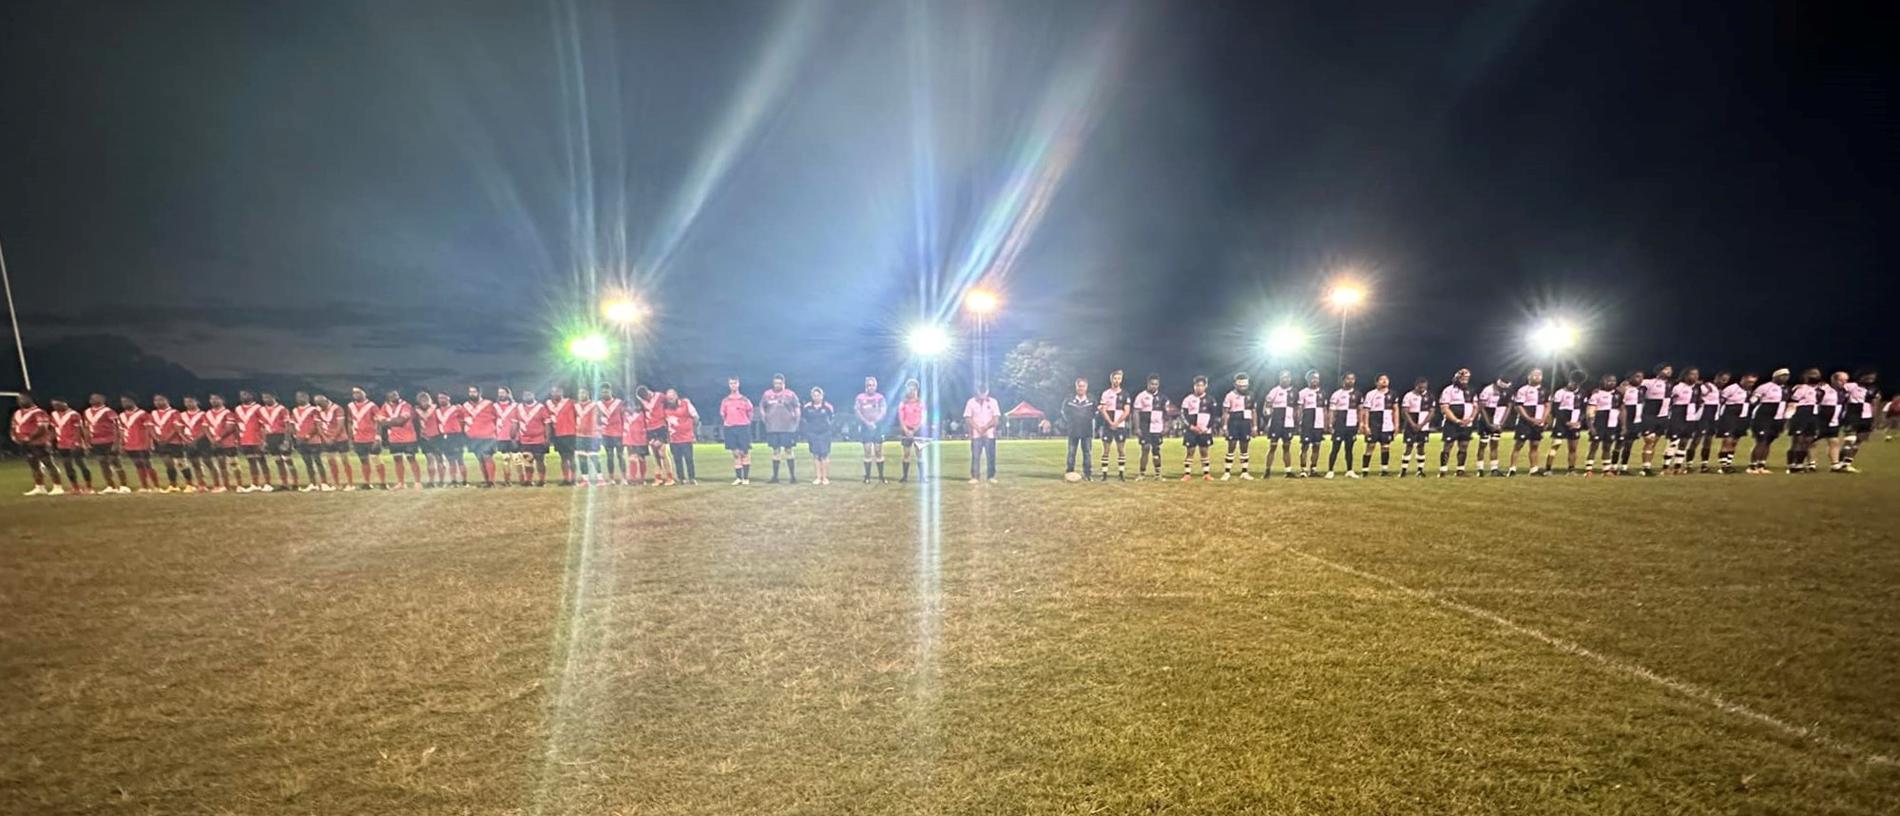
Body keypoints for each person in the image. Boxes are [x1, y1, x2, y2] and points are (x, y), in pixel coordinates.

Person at [11, 391, 64, 495]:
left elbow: (42, 428)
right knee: (33, 465)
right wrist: (14, 436)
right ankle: (40, 487)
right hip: (25, 444)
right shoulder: (17, 413)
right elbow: (13, 426)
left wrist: (29, 437)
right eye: (19, 399)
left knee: (49, 463)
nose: (20, 401)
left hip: (39, 442)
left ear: (30, 399)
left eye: (23, 399)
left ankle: (58, 487)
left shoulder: (39, 412)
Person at [759, 375, 802, 484]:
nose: (778, 385)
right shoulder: (767, 394)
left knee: (789, 450)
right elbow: (762, 407)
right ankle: (775, 477)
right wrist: (764, 417)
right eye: (776, 383)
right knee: (775, 451)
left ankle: (792, 477)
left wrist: (796, 420)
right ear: (773, 383)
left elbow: (797, 407)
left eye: (780, 383)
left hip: (788, 428)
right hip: (773, 428)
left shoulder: (790, 394)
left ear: (784, 383)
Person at [1745, 368, 1789, 474]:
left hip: (1777, 419)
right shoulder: (1765, 387)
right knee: (1761, 441)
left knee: (1768, 441)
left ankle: (1761, 465)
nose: (1785, 378)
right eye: (1783, 375)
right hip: (1763, 418)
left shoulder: (1785, 389)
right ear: (1775, 377)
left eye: (1787, 375)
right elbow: (1753, 400)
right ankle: (1752, 466)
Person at [84, 393, 129, 493]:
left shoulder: (108, 411)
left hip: (109, 440)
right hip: (96, 441)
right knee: (103, 463)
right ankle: (110, 486)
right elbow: (86, 428)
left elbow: (117, 427)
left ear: (102, 399)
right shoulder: (87, 412)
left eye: (94, 397)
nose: (91, 399)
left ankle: (124, 485)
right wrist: (87, 443)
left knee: (115, 462)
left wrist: (117, 443)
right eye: (91, 397)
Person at [1635, 364, 1675, 476]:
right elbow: (1633, 388)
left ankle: (1648, 466)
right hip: (1649, 416)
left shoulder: (1671, 384)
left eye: (1670, 370)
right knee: (1649, 441)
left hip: (1663, 417)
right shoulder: (1648, 382)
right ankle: (1645, 468)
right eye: (1666, 369)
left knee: (1654, 443)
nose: (1669, 371)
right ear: (1659, 370)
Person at [49, 398, 94, 494]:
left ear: (64, 403)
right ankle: (75, 487)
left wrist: (80, 443)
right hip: (62, 444)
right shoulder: (54, 414)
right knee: (67, 466)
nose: (55, 407)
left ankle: (89, 487)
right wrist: (49, 440)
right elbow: (54, 429)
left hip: (75, 444)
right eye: (54, 405)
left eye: (57, 404)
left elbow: (79, 430)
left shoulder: (74, 414)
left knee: (81, 464)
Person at [1438, 368, 1477, 477]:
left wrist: (1471, 418)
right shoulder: (1448, 390)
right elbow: (1445, 408)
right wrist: (1456, 420)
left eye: (1466, 378)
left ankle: (1460, 470)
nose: (1464, 380)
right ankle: (1443, 470)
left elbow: (1475, 406)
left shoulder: (1471, 390)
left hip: (1467, 424)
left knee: (1464, 445)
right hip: (1452, 424)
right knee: (1448, 445)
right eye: (1462, 378)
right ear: (1457, 378)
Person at [1507, 368, 1546, 476]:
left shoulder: (1544, 390)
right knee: (1518, 445)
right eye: (1535, 374)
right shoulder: (1523, 390)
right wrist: (1529, 418)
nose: (1537, 376)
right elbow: (1518, 406)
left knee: (1535, 445)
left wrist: (1543, 418)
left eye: (1540, 374)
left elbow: (1547, 405)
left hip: (1538, 423)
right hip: (1525, 422)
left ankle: (1533, 469)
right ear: (1529, 376)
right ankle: (1512, 469)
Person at [1583, 374, 1623, 477]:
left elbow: (1622, 409)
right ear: (1603, 381)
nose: (1611, 382)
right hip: (1599, 424)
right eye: (1609, 380)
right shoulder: (1597, 394)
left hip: (1612, 425)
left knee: (1607, 447)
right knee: (1594, 446)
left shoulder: (1618, 394)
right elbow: (1589, 412)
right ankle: (1588, 470)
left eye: (1614, 380)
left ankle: (1606, 470)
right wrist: (1591, 427)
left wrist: (1622, 425)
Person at [1713, 373, 1753, 474]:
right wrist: (1718, 417)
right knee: (1727, 441)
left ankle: (1728, 464)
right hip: (1729, 416)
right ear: (1743, 379)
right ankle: (1723, 466)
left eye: (1752, 382)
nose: (1750, 384)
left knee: (1735, 442)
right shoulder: (1732, 388)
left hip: (1742, 418)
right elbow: (1720, 402)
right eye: (1749, 382)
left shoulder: (1748, 391)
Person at [1664, 369, 1702, 474]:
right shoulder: (1677, 387)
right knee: (1673, 441)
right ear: (1685, 376)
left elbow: (1699, 402)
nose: (1695, 376)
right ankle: (1665, 467)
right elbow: (1669, 401)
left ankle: (1677, 467)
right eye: (1692, 374)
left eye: (1696, 374)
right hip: (1678, 415)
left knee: (1684, 442)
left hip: (1690, 416)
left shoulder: (1697, 388)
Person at [1546, 372, 1584, 475]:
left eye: (1575, 383)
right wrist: (1566, 422)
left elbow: (1583, 409)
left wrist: (1578, 421)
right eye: (1571, 382)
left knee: (1573, 448)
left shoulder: (1582, 393)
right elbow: (1555, 409)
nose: (1572, 385)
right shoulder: (1560, 392)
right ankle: (1548, 469)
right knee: (1556, 445)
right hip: (1561, 423)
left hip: (1575, 423)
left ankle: (1571, 469)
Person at [380, 390, 420, 489]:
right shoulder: (385, 406)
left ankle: (417, 482)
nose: (395, 397)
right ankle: (401, 483)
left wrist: (388, 420)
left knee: (411, 459)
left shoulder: (406, 405)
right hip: (394, 438)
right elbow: (381, 422)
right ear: (388, 397)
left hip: (408, 438)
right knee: (397, 460)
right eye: (392, 395)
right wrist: (392, 421)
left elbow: (401, 421)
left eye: (396, 395)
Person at [117, 394, 158, 491]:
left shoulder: (142, 414)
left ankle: (156, 486)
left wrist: (149, 443)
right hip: (130, 445)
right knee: (138, 465)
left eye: (127, 401)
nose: (124, 403)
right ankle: (144, 486)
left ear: (133, 401)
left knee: (147, 464)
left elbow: (149, 429)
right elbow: (122, 431)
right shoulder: (121, 415)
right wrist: (122, 444)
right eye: (123, 402)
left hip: (142, 444)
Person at [1784, 369, 1822, 473]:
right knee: (1797, 441)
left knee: (1808, 441)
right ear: (1806, 377)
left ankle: (1799, 464)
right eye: (1812, 375)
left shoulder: (1820, 389)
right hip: (1801, 415)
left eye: (1817, 375)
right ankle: (1791, 465)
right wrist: (1788, 418)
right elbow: (1792, 403)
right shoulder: (1801, 388)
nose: (1815, 377)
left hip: (1813, 415)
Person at [1474, 375, 1511, 477]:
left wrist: (1501, 423)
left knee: (1494, 445)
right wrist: (1488, 423)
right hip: (1486, 420)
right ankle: (1480, 469)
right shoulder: (1487, 390)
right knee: (1483, 445)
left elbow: (1508, 406)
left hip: (1498, 420)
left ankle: (1494, 469)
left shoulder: (1506, 391)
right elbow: (1482, 407)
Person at [1224, 372, 1260, 480]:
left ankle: (1244, 472)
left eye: (1245, 385)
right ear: (1235, 385)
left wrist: (1255, 427)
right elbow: (1225, 412)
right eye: (1241, 385)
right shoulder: (1230, 395)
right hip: (1234, 422)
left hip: (1246, 423)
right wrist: (1225, 427)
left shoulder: (1251, 395)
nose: (1243, 388)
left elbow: (1254, 411)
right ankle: (1227, 472)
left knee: (1244, 448)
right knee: (1231, 447)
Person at [1359, 374, 1396, 476]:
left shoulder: (1392, 394)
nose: (1384, 381)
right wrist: (1365, 425)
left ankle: (1384, 470)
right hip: (1374, 423)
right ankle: (1365, 470)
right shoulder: (1371, 394)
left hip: (1387, 424)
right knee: (1370, 445)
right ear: (1376, 382)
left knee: (1385, 446)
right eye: (1381, 379)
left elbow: (1395, 410)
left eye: (1386, 379)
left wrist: (1396, 425)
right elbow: (1366, 410)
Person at [720, 378, 755, 485]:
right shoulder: (725, 401)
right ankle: (739, 477)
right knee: (735, 453)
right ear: (728, 385)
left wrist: (745, 422)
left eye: (735, 383)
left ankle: (746, 478)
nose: (733, 385)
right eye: (731, 383)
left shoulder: (745, 400)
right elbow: (723, 414)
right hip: (730, 427)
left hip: (743, 427)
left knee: (745, 452)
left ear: (738, 384)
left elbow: (750, 413)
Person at [233, 390, 270, 493]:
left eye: (245, 394)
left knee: (262, 461)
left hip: (257, 439)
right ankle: (255, 484)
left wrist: (264, 440)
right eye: (241, 395)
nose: (242, 397)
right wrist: (238, 440)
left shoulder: (259, 408)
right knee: (251, 462)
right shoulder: (238, 409)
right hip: (245, 439)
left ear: (252, 395)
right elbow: (237, 425)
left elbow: (264, 425)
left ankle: (268, 484)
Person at [637, 386, 675, 486]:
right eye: (643, 398)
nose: (646, 398)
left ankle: (670, 477)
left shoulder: (659, 396)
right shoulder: (642, 401)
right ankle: (658, 478)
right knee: (655, 455)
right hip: (650, 429)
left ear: (648, 392)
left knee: (663, 453)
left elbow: (670, 403)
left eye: (646, 396)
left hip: (660, 427)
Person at [964, 383, 1001, 483]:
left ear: (987, 392)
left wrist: (985, 427)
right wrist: (977, 428)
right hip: (976, 434)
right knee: (975, 456)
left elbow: (996, 418)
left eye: (984, 392)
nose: (982, 395)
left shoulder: (993, 402)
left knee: (991, 456)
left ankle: (991, 476)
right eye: (980, 393)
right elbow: (968, 418)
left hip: (989, 434)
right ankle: (975, 476)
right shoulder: (971, 402)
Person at [1097, 370, 1130, 481]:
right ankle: (1104, 475)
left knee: (1121, 450)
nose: (1117, 380)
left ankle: (1121, 474)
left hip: (1120, 426)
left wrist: (1117, 422)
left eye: (1119, 378)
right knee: (1106, 450)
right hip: (1108, 425)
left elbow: (1127, 411)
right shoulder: (1106, 393)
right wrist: (1110, 422)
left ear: (1121, 380)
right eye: (1115, 378)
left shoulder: (1125, 394)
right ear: (1111, 379)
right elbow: (1103, 410)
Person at [1839, 372, 1876, 472]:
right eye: (1868, 377)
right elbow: (1840, 393)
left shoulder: (1873, 389)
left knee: (1858, 442)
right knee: (1850, 440)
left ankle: (1847, 464)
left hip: (1866, 417)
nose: (1870, 380)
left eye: (1873, 378)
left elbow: (1873, 403)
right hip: (1853, 416)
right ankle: (1839, 463)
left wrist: (1873, 419)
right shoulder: (1851, 386)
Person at [1263, 371, 1297, 478]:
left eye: (1287, 377)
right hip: (1276, 423)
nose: (1285, 379)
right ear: (1279, 379)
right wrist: (1268, 414)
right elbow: (1267, 405)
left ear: (1290, 379)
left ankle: (1288, 471)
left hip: (1288, 423)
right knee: (1273, 447)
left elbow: (1297, 407)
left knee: (1287, 447)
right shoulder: (1275, 391)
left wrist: (1296, 420)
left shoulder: (1294, 391)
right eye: (1283, 377)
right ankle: (1267, 471)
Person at [291, 391, 328, 491]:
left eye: (301, 397)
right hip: (301, 440)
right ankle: (313, 483)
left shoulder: (314, 410)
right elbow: (293, 424)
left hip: (314, 440)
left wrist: (308, 435)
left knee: (318, 461)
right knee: (307, 462)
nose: (299, 399)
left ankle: (324, 483)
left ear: (307, 398)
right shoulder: (295, 410)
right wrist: (296, 435)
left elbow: (317, 425)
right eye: (297, 397)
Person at [1325, 373, 1360, 478]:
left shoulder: (1358, 394)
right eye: (1348, 379)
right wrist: (1330, 424)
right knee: (1335, 447)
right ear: (1343, 380)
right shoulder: (1337, 394)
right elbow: (1332, 411)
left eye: (1352, 379)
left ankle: (1349, 470)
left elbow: (1360, 410)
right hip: (1340, 424)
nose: (1350, 381)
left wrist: (1360, 423)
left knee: (1349, 448)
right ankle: (1330, 470)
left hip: (1352, 425)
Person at [150, 393, 187, 492]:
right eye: (156, 400)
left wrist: (166, 439)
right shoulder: (153, 413)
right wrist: (156, 439)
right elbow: (151, 428)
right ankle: (173, 485)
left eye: (161, 400)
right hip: (161, 443)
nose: (158, 402)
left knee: (181, 464)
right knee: (168, 463)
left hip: (175, 442)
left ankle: (190, 484)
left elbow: (176, 428)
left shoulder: (174, 412)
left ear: (167, 400)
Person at [1133, 374, 1166, 480]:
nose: (1154, 386)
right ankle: (1142, 474)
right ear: (1148, 384)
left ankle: (1158, 475)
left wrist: (1166, 426)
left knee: (1156, 450)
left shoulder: (1162, 398)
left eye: (1156, 384)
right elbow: (1136, 412)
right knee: (1145, 448)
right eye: (1152, 384)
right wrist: (1137, 427)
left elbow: (1167, 413)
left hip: (1157, 428)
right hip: (1145, 427)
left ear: (1158, 385)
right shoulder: (1141, 396)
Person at [464, 387, 499, 487]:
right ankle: (486, 480)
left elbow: (496, 417)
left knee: (487, 457)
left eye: (474, 392)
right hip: (474, 436)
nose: (472, 394)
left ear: (479, 393)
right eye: (470, 392)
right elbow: (464, 420)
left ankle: (491, 481)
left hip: (488, 435)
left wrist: (494, 431)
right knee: (480, 459)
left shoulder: (488, 404)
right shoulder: (465, 406)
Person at [1061, 377, 1095, 480]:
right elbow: (1063, 412)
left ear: (1086, 387)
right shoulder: (1069, 399)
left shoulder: (1092, 399)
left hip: (1086, 430)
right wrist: (1070, 421)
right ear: (1076, 387)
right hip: (1073, 430)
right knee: (1071, 452)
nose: (1081, 388)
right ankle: (1070, 472)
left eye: (1083, 386)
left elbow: (1095, 413)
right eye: (1079, 386)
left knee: (1087, 453)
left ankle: (1088, 474)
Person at [180, 395, 216, 492]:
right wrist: (186, 439)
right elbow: (180, 429)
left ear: (197, 402)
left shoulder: (203, 414)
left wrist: (195, 440)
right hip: (189, 442)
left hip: (202, 441)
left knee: (208, 462)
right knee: (195, 464)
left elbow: (205, 429)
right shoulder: (182, 415)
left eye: (191, 401)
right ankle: (201, 484)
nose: (188, 404)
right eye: (186, 402)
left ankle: (216, 484)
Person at [516, 389, 551, 487]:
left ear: (533, 395)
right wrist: (514, 437)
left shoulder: (540, 407)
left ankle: (542, 480)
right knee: (527, 461)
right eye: (525, 395)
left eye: (529, 394)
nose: (527, 397)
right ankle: (529, 480)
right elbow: (516, 423)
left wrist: (547, 438)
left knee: (540, 460)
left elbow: (547, 423)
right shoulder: (519, 408)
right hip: (525, 439)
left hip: (539, 439)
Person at [855, 377, 887, 484]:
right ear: (866, 386)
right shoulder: (860, 397)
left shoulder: (880, 397)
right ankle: (867, 477)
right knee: (867, 451)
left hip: (877, 427)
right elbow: (857, 411)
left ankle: (881, 477)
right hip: (865, 427)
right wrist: (867, 423)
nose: (871, 387)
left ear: (876, 386)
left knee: (878, 451)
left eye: (872, 385)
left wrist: (875, 422)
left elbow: (883, 411)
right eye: (869, 385)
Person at [206, 393, 242, 491]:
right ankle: (226, 486)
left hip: (228, 442)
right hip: (216, 443)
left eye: (216, 399)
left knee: (234, 463)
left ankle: (240, 485)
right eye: (212, 399)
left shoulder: (228, 413)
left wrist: (218, 438)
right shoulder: (208, 413)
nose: (214, 401)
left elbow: (230, 428)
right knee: (221, 464)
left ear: (222, 401)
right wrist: (212, 440)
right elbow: (205, 428)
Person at [1398, 377, 1433, 478]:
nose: (1422, 388)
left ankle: (1420, 470)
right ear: (1416, 386)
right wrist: (1413, 424)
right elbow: (1405, 411)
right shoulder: (1409, 395)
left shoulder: (1430, 396)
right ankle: (1403, 470)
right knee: (1409, 447)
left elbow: (1431, 412)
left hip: (1424, 426)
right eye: (1420, 386)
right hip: (1410, 426)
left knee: (1421, 447)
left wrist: (1422, 424)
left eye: (1424, 386)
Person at [664, 387, 700, 484]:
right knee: (677, 459)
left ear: (676, 396)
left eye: (671, 398)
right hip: (673, 439)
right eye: (668, 398)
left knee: (689, 459)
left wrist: (692, 430)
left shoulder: (686, 404)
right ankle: (681, 478)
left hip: (686, 438)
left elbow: (696, 417)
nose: (670, 400)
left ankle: (692, 478)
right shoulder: (665, 408)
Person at [314, 393, 349, 490]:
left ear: (326, 401)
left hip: (341, 438)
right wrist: (325, 438)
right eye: (317, 404)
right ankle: (336, 483)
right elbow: (318, 426)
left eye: (321, 404)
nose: (319, 406)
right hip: (327, 439)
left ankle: (350, 483)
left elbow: (340, 425)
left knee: (345, 461)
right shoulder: (318, 410)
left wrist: (332, 438)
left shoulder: (337, 408)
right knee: (331, 462)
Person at [545, 386, 578, 486]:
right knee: (563, 457)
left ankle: (574, 478)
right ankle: (566, 479)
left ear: (562, 392)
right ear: (551, 393)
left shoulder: (570, 402)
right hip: (557, 434)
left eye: (558, 391)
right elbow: (548, 420)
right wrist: (548, 436)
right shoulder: (548, 404)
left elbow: (578, 415)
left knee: (571, 457)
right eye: (554, 392)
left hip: (570, 433)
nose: (556, 394)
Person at [897, 379, 928, 483]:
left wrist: (915, 429)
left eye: (913, 389)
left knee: (920, 453)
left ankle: (922, 477)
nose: (911, 391)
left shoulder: (921, 403)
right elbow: (901, 418)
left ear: (917, 390)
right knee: (906, 454)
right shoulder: (903, 403)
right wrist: (906, 430)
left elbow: (923, 418)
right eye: (909, 388)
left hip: (918, 430)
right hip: (906, 430)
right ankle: (905, 477)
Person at [803, 387, 836, 485]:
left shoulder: (828, 407)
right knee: (816, 455)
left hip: (825, 434)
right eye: (814, 395)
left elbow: (831, 419)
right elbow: (805, 419)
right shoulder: (807, 407)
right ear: (812, 396)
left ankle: (825, 477)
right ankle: (818, 477)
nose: (816, 397)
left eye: (818, 395)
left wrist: (827, 428)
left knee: (824, 455)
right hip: (813, 434)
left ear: (822, 396)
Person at [1818, 371, 1850, 472]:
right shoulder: (1823, 389)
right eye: (1841, 380)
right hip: (1821, 421)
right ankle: (1809, 463)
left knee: (1834, 442)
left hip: (1834, 422)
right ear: (1833, 380)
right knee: (1810, 442)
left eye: (1846, 380)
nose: (1844, 383)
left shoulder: (1844, 392)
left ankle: (1835, 464)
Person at [435, 392, 467, 487]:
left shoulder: (456, 408)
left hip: (456, 436)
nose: (441, 400)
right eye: (439, 398)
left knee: (460, 460)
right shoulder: (437, 411)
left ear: (448, 398)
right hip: (444, 437)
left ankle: (465, 481)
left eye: (443, 398)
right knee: (450, 461)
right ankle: (454, 481)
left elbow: (464, 419)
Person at [598, 385, 627, 485]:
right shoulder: (599, 405)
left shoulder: (619, 403)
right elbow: (597, 419)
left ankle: (624, 478)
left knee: (620, 456)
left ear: (611, 392)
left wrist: (625, 432)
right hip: (606, 434)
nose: (604, 394)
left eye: (606, 392)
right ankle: (611, 478)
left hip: (618, 433)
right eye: (603, 392)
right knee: (609, 456)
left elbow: (624, 417)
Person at [493, 387, 523, 486]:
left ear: (508, 394)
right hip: (501, 437)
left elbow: (517, 422)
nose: (501, 394)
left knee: (517, 459)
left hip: (513, 437)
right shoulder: (495, 406)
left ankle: (522, 479)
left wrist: (514, 437)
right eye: (499, 393)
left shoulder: (515, 406)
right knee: (505, 459)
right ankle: (507, 480)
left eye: (503, 392)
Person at [574, 386, 602, 486]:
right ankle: (585, 480)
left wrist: (598, 431)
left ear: (588, 394)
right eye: (580, 393)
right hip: (580, 435)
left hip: (592, 435)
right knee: (582, 457)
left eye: (584, 393)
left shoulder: (594, 405)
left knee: (594, 456)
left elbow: (600, 418)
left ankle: (600, 479)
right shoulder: (576, 406)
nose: (582, 395)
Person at [416, 390, 444, 487]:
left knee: (439, 459)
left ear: (430, 400)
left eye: (425, 399)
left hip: (436, 436)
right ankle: (431, 481)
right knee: (430, 460)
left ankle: (441, 481)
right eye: (421, 400)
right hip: (425, 437)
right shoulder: (416, 410)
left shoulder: (436, 408)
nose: (424, 401)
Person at [621, 391, 649, 485]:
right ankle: (633, 479)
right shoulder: (624, 414)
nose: (630, 407)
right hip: (629, 439)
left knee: (641, 459)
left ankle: (642, 478)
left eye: (633, 404)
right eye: (628, 405)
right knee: (632, 458)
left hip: (641, 439)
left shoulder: (642, 413)